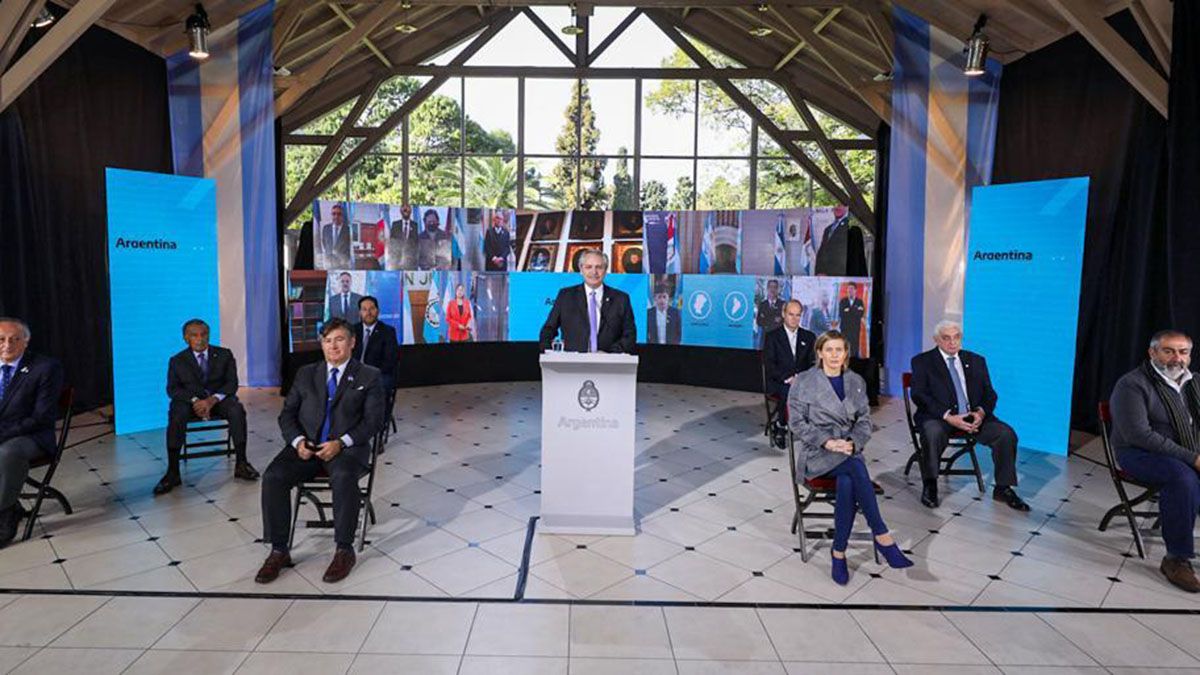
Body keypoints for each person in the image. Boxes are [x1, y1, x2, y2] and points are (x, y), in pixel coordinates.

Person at [256, 318, 385, 585]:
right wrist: (298, 442)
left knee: (343, 477)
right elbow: (287, 415)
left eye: (339, 340)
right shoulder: (306, 373)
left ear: (352, 342)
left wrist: (341, 443)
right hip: (307, 447)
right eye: (327, 341)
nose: (333, 346)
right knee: (273, 477)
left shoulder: (369, 375)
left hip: (347, 449)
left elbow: (373, 422)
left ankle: (344, 550)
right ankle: (279, 550)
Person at [788, 330, 912, 585]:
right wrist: (827, 441)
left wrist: (853, 443)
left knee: (847, 480)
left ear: (846, 353)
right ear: (820, 353)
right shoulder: (804, 381)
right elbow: (796, 423)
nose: (834, 355)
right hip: (817, 452)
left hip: (847, 449)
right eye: (829, 350)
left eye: (839, 350)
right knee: (855, 468)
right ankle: (882, 535)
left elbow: (864, 422)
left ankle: (839, 552)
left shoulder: (856, 381)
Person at [1109, 330, 1200, 593]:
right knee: (1183, 478)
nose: (1177, 358)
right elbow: (1139, 435)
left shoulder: (1195, 383)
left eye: (1183, 352)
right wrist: (1193, 458)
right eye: (1168, 351)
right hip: (1139, 453)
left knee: (1186, 474)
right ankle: (1176, 559)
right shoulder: (1132, 384)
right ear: (1152, 353)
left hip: (1186, 451)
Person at [909, 320, 1029, 511]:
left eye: (956, 337)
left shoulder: (976, 360)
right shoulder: (922, 361)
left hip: (972, 417)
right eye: (946, 338)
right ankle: (930, 485)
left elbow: (990, 394)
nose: (952, 342)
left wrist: (980, 412)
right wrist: (948, 416)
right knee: (932, 433)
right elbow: (919, 395)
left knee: (1006, 434)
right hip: (940, 417)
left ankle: (1003, 488)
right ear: (936, 340)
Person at [155, 319, 260, 495]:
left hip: (218, 401)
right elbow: (172, 389)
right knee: (177, 413)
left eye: (204, 334)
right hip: (190, 403)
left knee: (236, 410)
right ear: (186, 338)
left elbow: (231, 384)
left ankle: (242, 464)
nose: (200, 339)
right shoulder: (177, 360)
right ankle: (173, 472)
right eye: (194, 335)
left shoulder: (224, 354)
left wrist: (211, 400)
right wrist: (195, 400)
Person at [0, 318, 63, 547]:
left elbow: (41, 417)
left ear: (25, 342)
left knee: (7, 453)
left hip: (32, 436)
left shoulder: (45, 368)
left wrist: (3, 434)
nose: (7, 345)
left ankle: (5, 514)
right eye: (1, 339)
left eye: (14, 339)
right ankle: (11, 504)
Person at [539, 249, 636, 354]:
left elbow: (629, 335)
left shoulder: (621, 298)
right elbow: (548, 330)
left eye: (599, 267)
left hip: (609, 362)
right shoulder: (566, 296)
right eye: (588, 267)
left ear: (605, 270)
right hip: (571, 362)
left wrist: (609, 354)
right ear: (581, 269)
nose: (594, 272)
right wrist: (549, 354)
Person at [763, 300, 816, 448]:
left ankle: (816, 427)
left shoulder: (809, 337)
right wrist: (788, 378)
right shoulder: (772, 336)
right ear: (783, 314)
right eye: (791, 314)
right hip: (780, 382)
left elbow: (813, 363)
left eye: (798, 315)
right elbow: (770, 365)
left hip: (803, 381)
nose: (794, 319)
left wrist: (801, 378)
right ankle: (781, 425)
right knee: (789, 391)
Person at [352, 297, 398, 392]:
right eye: (364, 309)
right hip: (355, 372)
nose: (368, 313)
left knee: (382, 385)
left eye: (371, 309)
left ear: (378, 311)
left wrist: (370, 374)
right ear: (360, 312)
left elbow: (390, 360)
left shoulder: (388, 331)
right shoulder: (352, 330)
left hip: (378, 373)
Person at [814, 204, 850, 276]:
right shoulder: (828, 229)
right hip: (824, 274)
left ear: (846, 208)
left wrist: (831, 273)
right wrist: (819, 271)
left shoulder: (848, 226)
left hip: (839, 274)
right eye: (836, 206)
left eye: (840, 205)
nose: (837, 208)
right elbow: (822, 251)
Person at [837, 282, 865, 358]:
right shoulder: (843, 301)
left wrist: (849, 310)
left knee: (854, 347)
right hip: (845, 328)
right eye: (848, 289)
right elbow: (841, 314)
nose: (850, 290)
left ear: (855, 290)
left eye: (852, 289)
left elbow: (860, 314)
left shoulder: (859, 302)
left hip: (855, 328)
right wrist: (855, 310)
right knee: (844, 346)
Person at [387, 204, 419, 271]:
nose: (406, 211)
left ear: (411, 211)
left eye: (407, 209)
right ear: (400, 211)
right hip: (397, 262)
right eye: (404, 210)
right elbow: (391, 242)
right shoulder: (395, 224)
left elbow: (417, 244)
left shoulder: (415, 225)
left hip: (411, 262)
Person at [320, 203, 352, 269]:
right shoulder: (326, 228)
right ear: (331, 215)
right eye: (334, 214)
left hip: (343, 265)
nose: (336, 216)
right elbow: (324, 243)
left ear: (342, 216)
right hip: (329, 265)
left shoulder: (348, 230)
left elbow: (350, 247)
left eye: (339, 214)